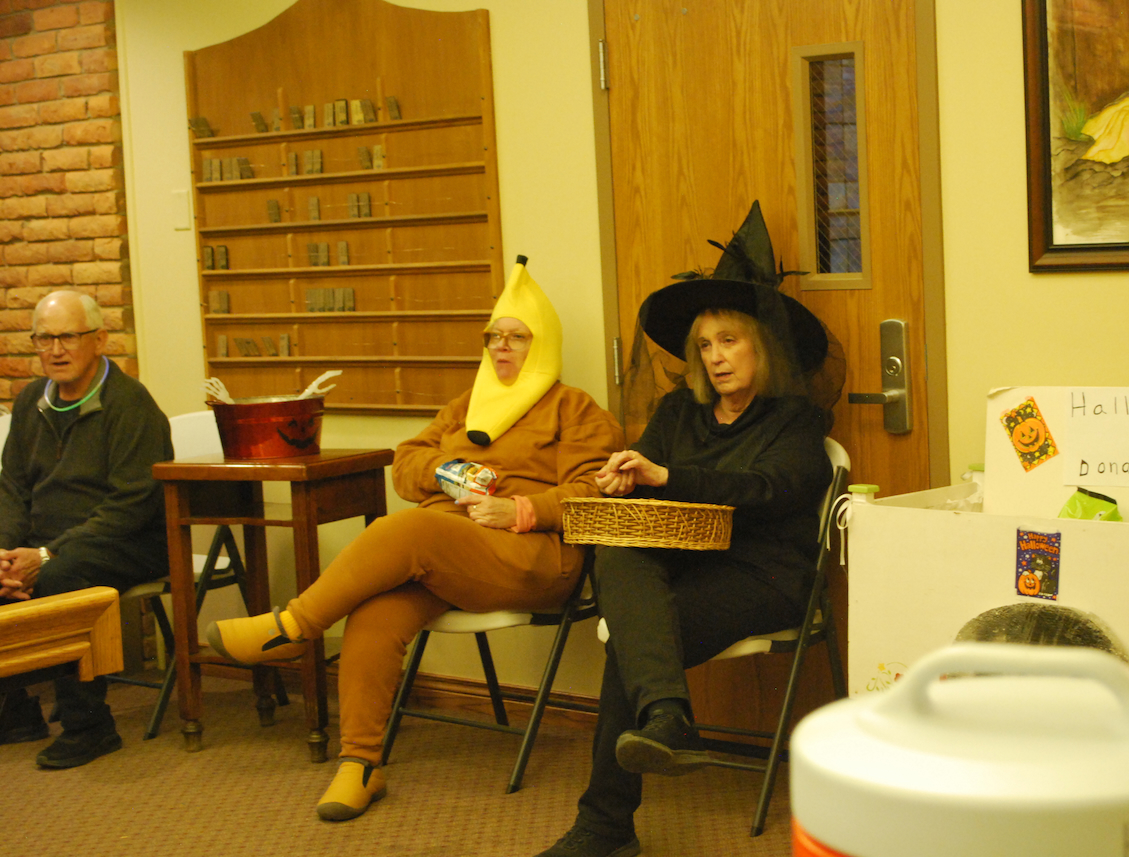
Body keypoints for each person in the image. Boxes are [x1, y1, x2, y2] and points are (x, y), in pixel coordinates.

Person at [208, 259, 624, 822]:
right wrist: (451, 472)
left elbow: (596, 495)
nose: (501, 347)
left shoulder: (575, 409)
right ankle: (360, 764)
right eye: (493, 337)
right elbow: (406, 464)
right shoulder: (466, 405)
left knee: (410, 530)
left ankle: (295, 627)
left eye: (517, 337)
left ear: (542, 345)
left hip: (535, 557)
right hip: (447, 550)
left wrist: (521, 508)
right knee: (375, 610)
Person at [536, 203, 844, 857]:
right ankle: (668, 719)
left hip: (764, 576)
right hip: (685, 567)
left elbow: (767, 491)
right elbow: (645, 473)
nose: (715, 357)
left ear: (763, 344)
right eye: (705, 346)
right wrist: (623, 477)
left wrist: (667, 475)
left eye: (729, 340)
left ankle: (608, 821)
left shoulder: (795, 420)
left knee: (634, 639)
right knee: (619, 552)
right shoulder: (680, 411)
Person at [0, 290, 173, 768]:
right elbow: (12, 489)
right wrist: (6, 553)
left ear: (99, 340)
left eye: (68, 337)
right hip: (51, 544)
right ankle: (16, 711)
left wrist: (47, 556)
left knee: (60, 578)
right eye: (44, 338)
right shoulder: (31, 400)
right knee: (5, 573)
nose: (56, 350)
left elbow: (132, 504)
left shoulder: (130, 402)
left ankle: (91, 726)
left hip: (129, 541)